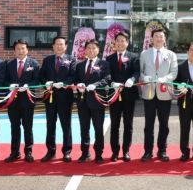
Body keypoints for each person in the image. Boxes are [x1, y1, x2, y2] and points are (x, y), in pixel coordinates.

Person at [139, 28, 178, 162]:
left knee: (164, 124)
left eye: (161, 36)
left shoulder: (171, 54)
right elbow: (141, 72)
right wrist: (144, 77)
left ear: (164, 39)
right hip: (149, 93)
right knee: (148, 124)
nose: (159, 39)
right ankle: (148, 151)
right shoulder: (144, 54)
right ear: (151, 39)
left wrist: (165, 79)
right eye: (156, 36)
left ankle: (162, 150)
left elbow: (174, 72)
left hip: (164, 93)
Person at [39, 36, 77, 163]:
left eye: (61, 44)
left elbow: (73, 76)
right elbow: (41, 76)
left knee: (66, 125)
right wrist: (46, 83)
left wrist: (65, 83)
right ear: (53, 46)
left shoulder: (71, 59)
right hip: (50, 97)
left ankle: (67, 152)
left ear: (66, 46)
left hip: (65, 97)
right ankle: (50, 151)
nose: (59, 46)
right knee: (50, 125)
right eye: (57, 44)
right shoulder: (47, 60)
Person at [4, 39, 41, 163]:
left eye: (23, 48)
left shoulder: (34, 64)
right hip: (13, 101)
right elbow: (4, 80)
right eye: (18, 49)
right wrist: (9, 85)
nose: (20, 51)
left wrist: (28, 85)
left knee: (28, 127)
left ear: (27, 50)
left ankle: (28, 152)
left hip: (27, 100)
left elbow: (37, 80)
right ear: (14, 51)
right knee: (14, 127)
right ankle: (15, 152)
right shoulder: (9, 64)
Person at [74, 39, 111, 163]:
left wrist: (95, 85)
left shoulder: (104, 64)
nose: (91, 50)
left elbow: (107, 78)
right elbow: (76, 79)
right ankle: (85, 153)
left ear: (98, 50)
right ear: (85, 50)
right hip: (82, 101)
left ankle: (99, 154)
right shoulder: (79, 65)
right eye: (88, 48)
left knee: (98, 129)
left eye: (93, 48)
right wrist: (78, 84)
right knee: (84, 129)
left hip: (97, 101)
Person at [105, 32, 139, 162]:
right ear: (115, 42)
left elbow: (137, 72)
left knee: (128, 124)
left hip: (129, 95)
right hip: (114, 95)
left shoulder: (134, 57)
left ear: (127, 42)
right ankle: (115, 152)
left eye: (122, 40)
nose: (120, 43)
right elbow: (107, 75)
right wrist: (112, 83)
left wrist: (132, 79)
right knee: (115, 125)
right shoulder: (109, 58)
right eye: (118, 40)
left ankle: (126, 151)